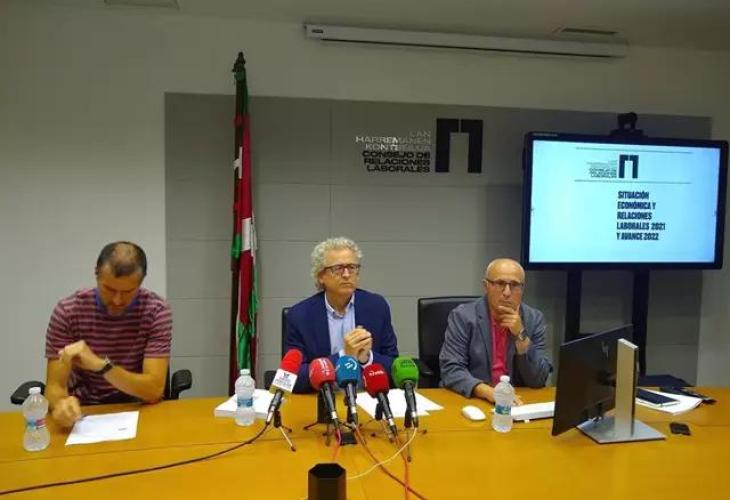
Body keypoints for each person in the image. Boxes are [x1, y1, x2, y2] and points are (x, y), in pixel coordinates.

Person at [45, 242, 172, 427]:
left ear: (141, 282)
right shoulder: (68, 311)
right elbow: (54, 387)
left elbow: (154, 391)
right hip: (84, 411)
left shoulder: (156, 311)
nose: (117, 300)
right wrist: (61, 405)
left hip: (138, 408)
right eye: (109, 289)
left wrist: (101, 366)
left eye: (128, 292)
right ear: (96, 274)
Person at [286, 237, 399, 393]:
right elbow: (292, 378)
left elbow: (394, 366)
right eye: (338, 268)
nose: (346, 274)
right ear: (321, 276)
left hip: (368, 398)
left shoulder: (376, 307)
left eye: (352, 267)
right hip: (324, 399)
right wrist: (344, 355)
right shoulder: (300, 316)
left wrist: (367, 358)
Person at [439, 258, 552, 403]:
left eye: (514, 285)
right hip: (474, 398)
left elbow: (538, 379)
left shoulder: (533, 319)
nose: (507, 292)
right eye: (500, 283)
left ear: (522, 289)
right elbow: (451, 369)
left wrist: (520, 335)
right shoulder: (463, 317)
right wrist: (486, 392)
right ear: (486, 286)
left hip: (517, 400)